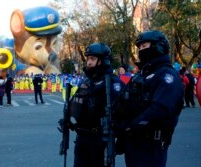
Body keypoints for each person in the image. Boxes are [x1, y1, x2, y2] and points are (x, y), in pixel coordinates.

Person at [114, 30, 184, 167]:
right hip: (133, 142)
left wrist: (131, 127)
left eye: (144, 46)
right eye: (139, 47)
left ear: (158, 47)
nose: (141, 50)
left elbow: (160, 109)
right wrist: (119, 127)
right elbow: (123, 102)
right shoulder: (140, 76)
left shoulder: (166, 75)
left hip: (152, 143)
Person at [60, 43, 123, 167]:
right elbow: (76, 103)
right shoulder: (87, 81)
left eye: (92, 59)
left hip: (100, 140)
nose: (88, 62)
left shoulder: (112, 82)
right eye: (88, 58)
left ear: (102, 61)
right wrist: (68, 119)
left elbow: (121, 112)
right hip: (82, 138)